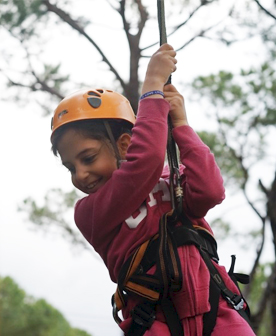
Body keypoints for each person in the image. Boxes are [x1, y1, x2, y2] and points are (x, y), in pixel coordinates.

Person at [50, 44, 255, 336]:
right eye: (70, 167)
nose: (80, 174)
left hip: (217, 310)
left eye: (88, 158)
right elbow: (143, 163)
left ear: (122, 145)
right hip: (154, 322)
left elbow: (210, 191)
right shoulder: (91, 212)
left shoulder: (170, 177)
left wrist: (182, 126)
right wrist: (152, 87)